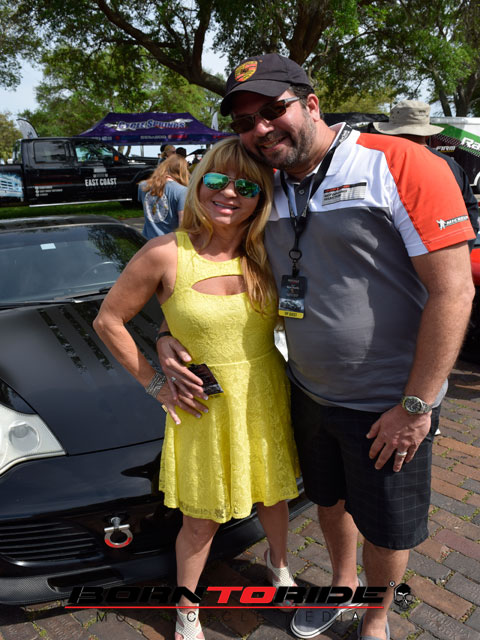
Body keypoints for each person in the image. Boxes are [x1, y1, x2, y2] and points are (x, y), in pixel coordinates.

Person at [156, 54, 475, 640]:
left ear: (310, 103)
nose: (260, 128)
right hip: (306, 390)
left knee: (386, 528)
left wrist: (416, 405)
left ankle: (375, 619)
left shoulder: (400, 162)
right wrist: (165, 333)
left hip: (389, 400)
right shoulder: (261, 184)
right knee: (328, 503)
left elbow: (454, 292)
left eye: (272, 110)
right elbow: (211, 270)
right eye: (244, 121)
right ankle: (342, 586)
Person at [93, 136, 300, 640]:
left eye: (246, 187)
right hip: (202, 406)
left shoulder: (268, 253)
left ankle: (279, 566)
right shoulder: (165, 252)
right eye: (217, 179)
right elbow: (108, 321)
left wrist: (167, 333)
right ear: (198, 183)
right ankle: (187, 609)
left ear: (261, 198)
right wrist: (155, 381)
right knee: (201, 517)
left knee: (273, 494)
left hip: (264, 394)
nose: (229, 193)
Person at [372, 100, 479, 251]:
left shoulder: (383, 164)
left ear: (394, 134)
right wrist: (462, 252)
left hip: (400, 256)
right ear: (426, 133)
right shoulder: (449, 164)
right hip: (444, 253)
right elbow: (470, 209)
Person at [138, 154, 189, 240]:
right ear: (182, 171)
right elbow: (183, 224)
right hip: (169, 243)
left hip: (147, 242)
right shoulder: (183, 191)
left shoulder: (142, 186)